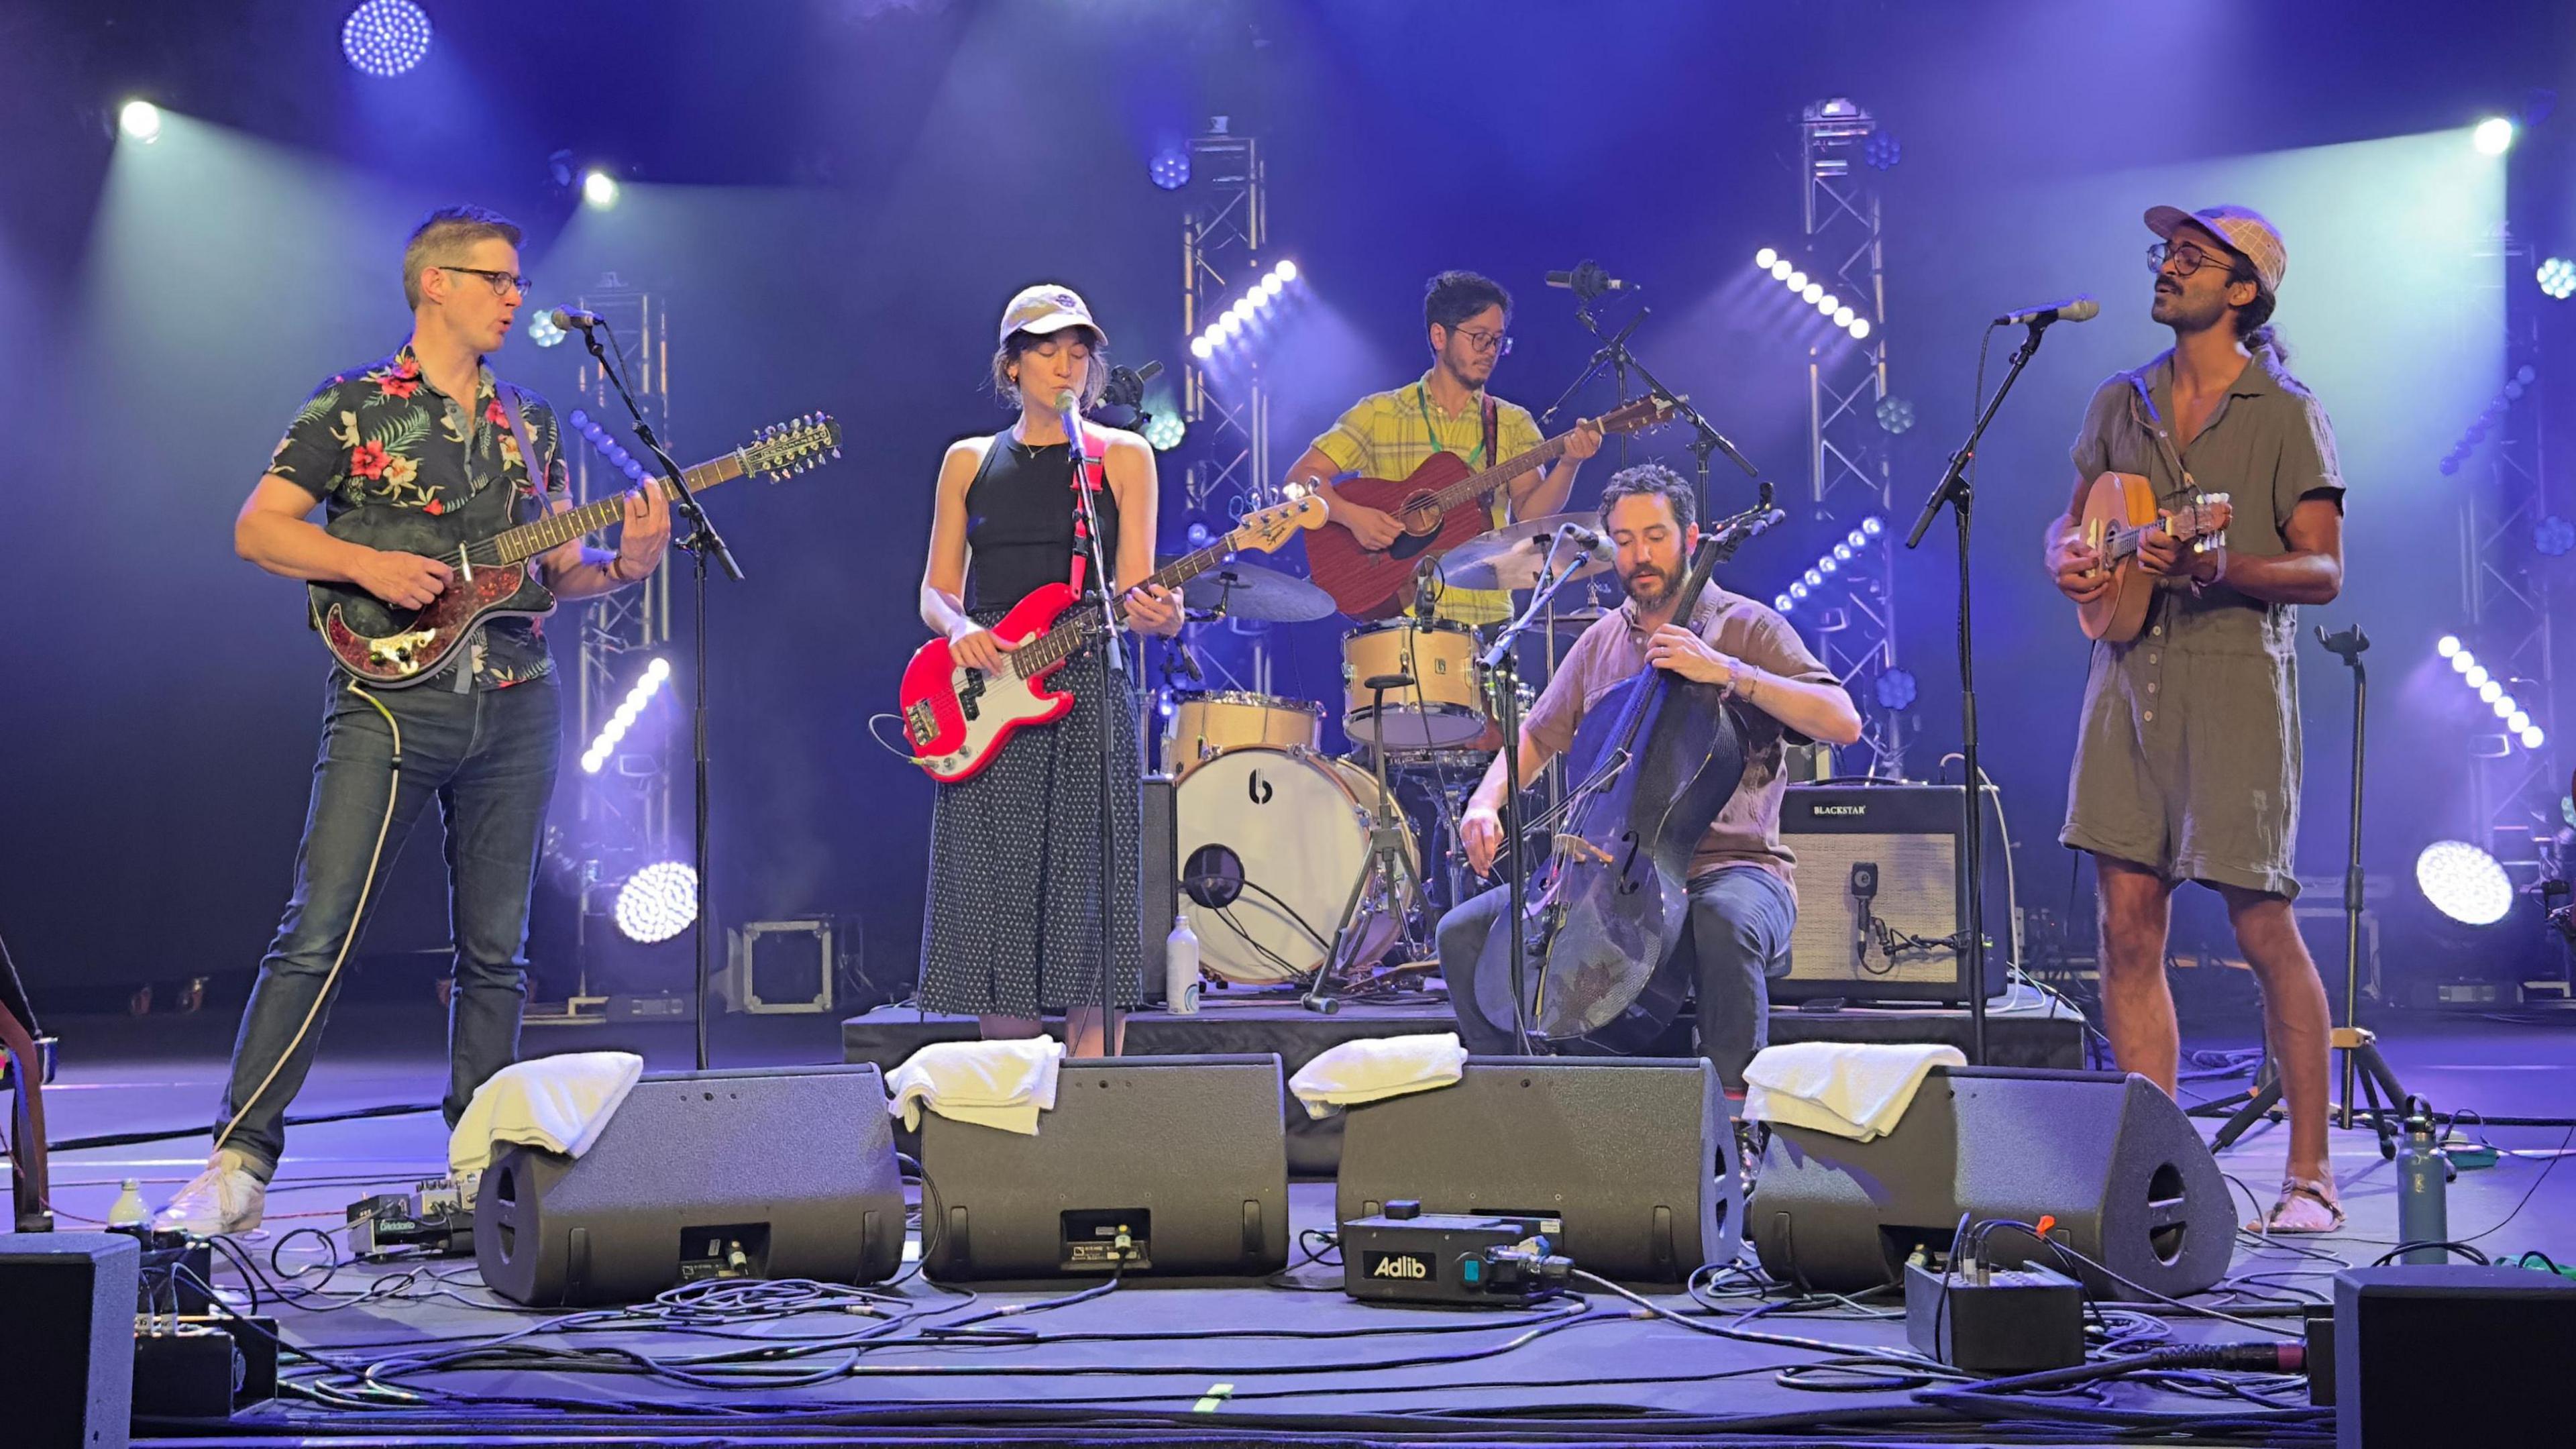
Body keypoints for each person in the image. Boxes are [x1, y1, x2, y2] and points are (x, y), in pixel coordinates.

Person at [160, 205, 672, 1234]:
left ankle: (481, 1168)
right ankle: (239, 1163)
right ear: (436, 283)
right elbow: (259, 528)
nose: (516, 296)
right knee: (318, 931)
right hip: (388, 700)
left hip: (518, 701)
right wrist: (367, 561)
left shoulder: (529, 423)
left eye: (520, 282)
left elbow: (553, 568)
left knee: (498, 953)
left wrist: (625, 564)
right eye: (499, 279)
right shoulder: (351, 409)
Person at [2045, 205, 2347, 1234]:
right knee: (2126, 931)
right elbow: (2079, 514)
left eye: (2192, 259)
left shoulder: (2284, 411)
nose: (2167, 270)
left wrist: (2223, 565)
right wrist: (2067, 554)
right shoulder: (2118, 399)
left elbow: (2323, 568)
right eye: (2165, 255)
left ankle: (2309, 1176)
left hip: (2233, 686)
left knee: (2262, 926)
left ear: (2244, 291)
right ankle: (2162, 1176)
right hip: (2126, 679)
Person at [1436, 464, 1862, 1085]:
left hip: (1733, 869)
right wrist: (1484, 802)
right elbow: (1536, 735)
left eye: (1656, 536)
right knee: (1464, 934)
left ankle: (1736, 1121)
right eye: (1625, 540)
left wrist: (1730, 673)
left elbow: (1842, 720)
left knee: (1723, 924)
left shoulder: (1748, 626)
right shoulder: (1600, 642)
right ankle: (1518, 1102)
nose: (1640, 555)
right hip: (1610, 873)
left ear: (1690, 539)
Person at [916, 285, 1183, 1058]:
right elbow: (936, 589)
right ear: (1012, 364)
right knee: (994, 899)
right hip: (989, 696)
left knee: (1091, 898)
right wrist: (962, 629)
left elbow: (1132, 590)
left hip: (1087, 684)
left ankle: (1095, 1114)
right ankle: (1012, 1115)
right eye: (1046, 349)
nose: (1065, 364)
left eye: (1078, 351)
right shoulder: (968, 461)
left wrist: (1158, 614)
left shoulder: (1122, 456)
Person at [1287, 270, 1603, 625]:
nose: (1490, 352)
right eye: (1479, 338)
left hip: (1485, 620)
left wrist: (1569, 464)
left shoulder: (1511, 421)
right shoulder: (1380, 413)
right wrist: (1352, 516)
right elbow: (1299, 481)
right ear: (1440, 335)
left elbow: (1531, 515)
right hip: (1396, 621)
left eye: (1498, 341)